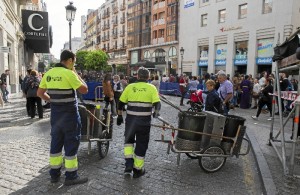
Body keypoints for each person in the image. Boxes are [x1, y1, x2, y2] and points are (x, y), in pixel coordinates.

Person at [37, 50, 88, 186]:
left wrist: (52, 100)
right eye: (74, 61)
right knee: (71, 143)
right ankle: (71, 176)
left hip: (56, 115)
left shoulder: (48, 73)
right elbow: (84, 89)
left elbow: (40, 93)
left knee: (56, 143)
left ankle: (54, 174)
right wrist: (76, 73)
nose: (74, 64)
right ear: (70, 60)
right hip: (70, 115)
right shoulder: (69, 73)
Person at [116, 67, 161, 178]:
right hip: (144, 122)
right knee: (141, 144)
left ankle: (128, 166)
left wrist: (119, 116)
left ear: (137, 76)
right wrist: (156, 112)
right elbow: (157, 104)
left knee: (128, 142)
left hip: (131, 121)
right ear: (148, 77)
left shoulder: (130, 87)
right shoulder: (151, 88)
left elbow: (121, 103)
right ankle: (138, 169)